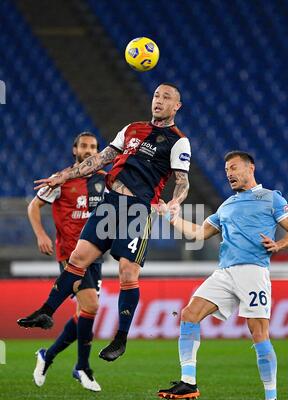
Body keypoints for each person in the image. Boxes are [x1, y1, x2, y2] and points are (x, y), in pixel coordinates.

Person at [18, 83, 191, 363]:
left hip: (137, 208)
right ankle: (46, 311)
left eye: (166, 97)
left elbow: (182, 181)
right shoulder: (132, 129)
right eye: (157, 95)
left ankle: (120, 339)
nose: (159, 100)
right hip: (110, 203)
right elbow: (101, 158)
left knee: (127, 272)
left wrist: (175, 202)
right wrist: (64, 176)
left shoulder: (178, 141)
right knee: (78, 257)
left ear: (177, 106)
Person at [157, 151, 288, 400]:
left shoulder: (271, 198)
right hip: (224, 273)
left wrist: (279, 244)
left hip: (253, 272)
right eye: (226, 170)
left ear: (250, 168)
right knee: (189, 314)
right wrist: (170, 216)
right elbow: (198, 233)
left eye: (233, 168)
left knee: (259, 334)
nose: (229, 173)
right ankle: (189, 382)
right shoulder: (227, 205)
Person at [27, 132, 106, 391]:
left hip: (95, 256)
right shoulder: (62, 180)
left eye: (93, 147)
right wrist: (41, 235)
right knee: (91, 306)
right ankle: (82, 367)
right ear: (75, 150)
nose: (88, 150)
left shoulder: (103, 180)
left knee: (83, 313)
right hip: (70, 256)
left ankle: (46, 356)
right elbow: (33, 207)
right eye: (84, 146)